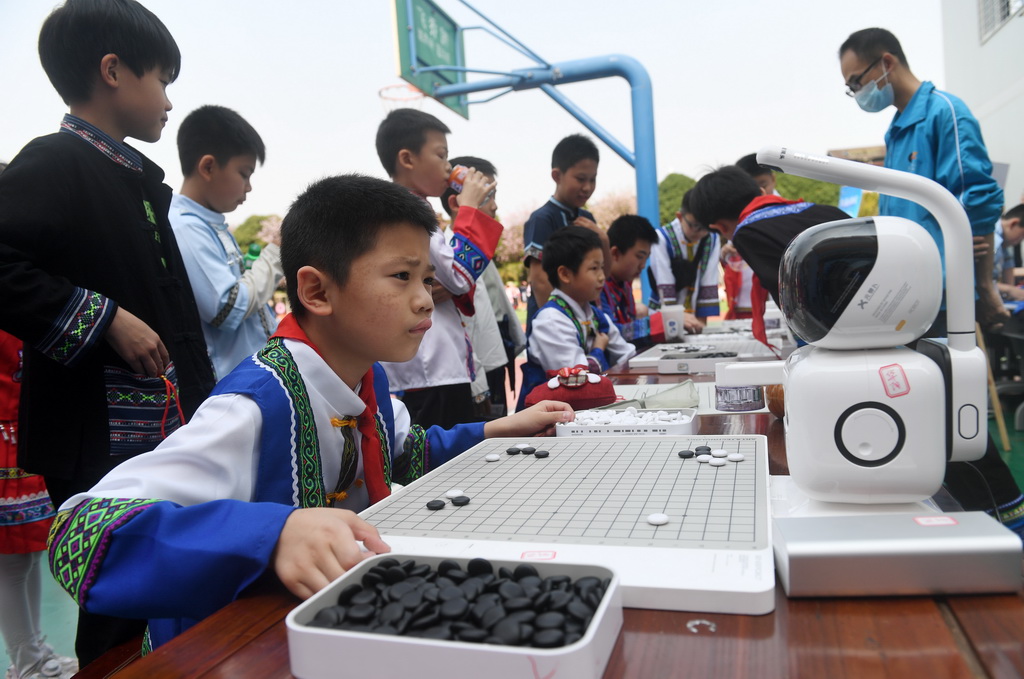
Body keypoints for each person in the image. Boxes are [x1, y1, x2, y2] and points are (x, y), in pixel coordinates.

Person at [47, 174, 574, 652]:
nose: (422, 300)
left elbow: (404, 454)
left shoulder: (366, 378)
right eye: (402, 277)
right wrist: (271, 535)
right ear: (317, 291)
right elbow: (79, 530)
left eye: (427, 280)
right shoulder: (255, 403)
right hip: (228, 652)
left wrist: (490, 430)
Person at [0, 0, 216, 664]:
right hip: (99, 435)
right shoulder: (53, 163)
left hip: (161, 428)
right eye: (163, 80)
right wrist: (105, 319)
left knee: (162, 588)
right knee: (115, 601)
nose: (169, 102)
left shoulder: (132, 179)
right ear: (113, 71)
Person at [839, 27, 1007, 332]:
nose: (857, 92)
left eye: (856, 82)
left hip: (945, 292)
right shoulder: (897, 129)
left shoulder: (945, 111)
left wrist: (983, 282)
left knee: (950, 376)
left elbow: (978, 194)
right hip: (907, 290)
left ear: (886, 63)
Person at [375, 109, 502, 429]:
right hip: (429, 369)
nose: (448, 166)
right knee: (441, 456)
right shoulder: (409, 208)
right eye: (441, 155)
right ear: (407, 159)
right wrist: (470, 209)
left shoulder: (402, 206)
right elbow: (458, 276)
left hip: (428, 367)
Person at [0, 161, 77, 679]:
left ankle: (32, 652)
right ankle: (28, 658)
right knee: (11, 558)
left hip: (16, 424)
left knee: (21, 556)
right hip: (5, 428)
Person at [170, 105, 281, 382]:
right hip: (230, 386)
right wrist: (277, 252)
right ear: (208, 166)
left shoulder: (210, 223)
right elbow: (228, 309)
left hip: (249, 378)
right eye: (244, 173)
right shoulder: (185, 226)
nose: (249, 186)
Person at [688, 166, 849, 350]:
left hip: (837, 336)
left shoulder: (748, 233)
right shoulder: (825, 211)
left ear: (720, 228)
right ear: (761, 192)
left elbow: (794, 304)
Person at [440, 156, 525, 418]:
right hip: (474, 374)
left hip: (494, 358)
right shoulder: (448, 255)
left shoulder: (478, 248)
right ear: (457, 203)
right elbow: (463, 325)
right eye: (487, 196)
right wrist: (479, 386)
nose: (495, 205)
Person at [519, 226, 636, 410]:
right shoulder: (550, 321)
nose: (602, 277)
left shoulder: (594, 314)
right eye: (594, 268)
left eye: (602, 268)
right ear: (565, 274)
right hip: (546, 422)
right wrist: (598, 349)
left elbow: (628, 355)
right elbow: (577, 380)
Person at [522, 134, 606, 326]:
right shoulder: (542, 219)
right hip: (555, 328)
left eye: (593, 179)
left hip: (585, 323)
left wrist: (604, 239)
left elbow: (603, 272)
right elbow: (540, 281)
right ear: (557, 176)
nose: (587, 187)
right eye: (580, 179)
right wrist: (557, 325)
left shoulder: (588, 219)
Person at [647, 190, 719, 331]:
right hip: (665, 316)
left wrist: (701, 326)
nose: (700, 232)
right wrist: (675, 321)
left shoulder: (713, 238)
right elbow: (664, 282)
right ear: (680, 217)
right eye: (694, 226)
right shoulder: (661, 237)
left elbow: (709, 280)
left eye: (705, 227)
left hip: (695, 315)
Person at [599, 214, 659, 347]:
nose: (643, 265)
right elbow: (613, 333)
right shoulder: (598, 286)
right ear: (615, 253)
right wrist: (663, 322)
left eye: (646, 258)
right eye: (639, 256)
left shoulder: (625, 284)